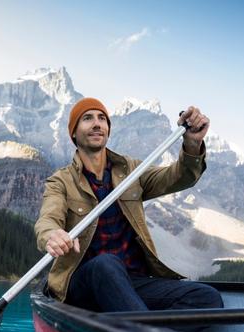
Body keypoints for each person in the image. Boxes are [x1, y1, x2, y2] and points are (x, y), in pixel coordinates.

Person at [34, 97, 223, 314]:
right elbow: (47, 220)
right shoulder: (61, 181)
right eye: (87, 118)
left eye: (102, 118)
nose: (97, 123)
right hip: (84, 286)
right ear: (73, 133)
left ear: (108, 129)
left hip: (130, 282)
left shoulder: (132, 170)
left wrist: (192, 143)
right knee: (106, 264)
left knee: (206, 297)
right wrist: (51, 235)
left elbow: (179, 177)